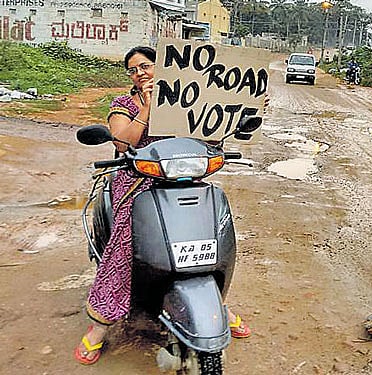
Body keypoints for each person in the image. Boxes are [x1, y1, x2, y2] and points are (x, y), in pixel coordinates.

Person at [74, 46, 252, 365]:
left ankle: (218, 303)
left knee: (211, 234)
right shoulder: (124, 104)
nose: (140, 72)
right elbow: (121, 142)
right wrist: (147, 107)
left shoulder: (188, 97)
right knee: (126, 240)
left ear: (164, 66)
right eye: (133, 69)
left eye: (146, 65)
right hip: (137, 179)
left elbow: (211, 132)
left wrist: (242, 109)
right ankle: (102, 321)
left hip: (182, 177)